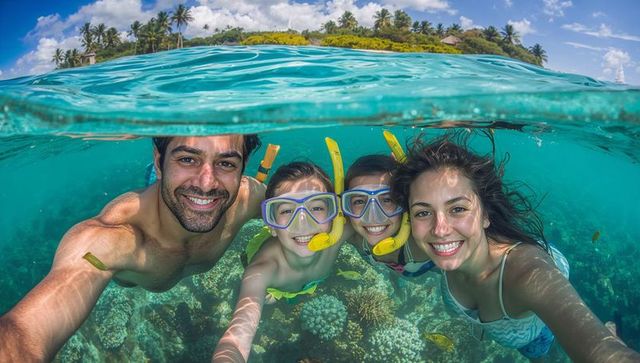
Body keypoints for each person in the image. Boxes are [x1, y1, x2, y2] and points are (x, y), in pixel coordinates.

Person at [0, 135, 265, 361]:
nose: (207, 183)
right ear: (160, 160)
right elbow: (24, 333)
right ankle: (154, 177)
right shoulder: (112, 239)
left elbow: (300, 206)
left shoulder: (248, 199)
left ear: (243, 170)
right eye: (187, 159)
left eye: (226, 164)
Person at [391, 133, 640, 362]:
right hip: (495, 247)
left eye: (457, 208)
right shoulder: (430, 243)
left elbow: (602, 353)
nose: (440, 229)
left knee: (537, 350)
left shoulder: (530, 276)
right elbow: (368, 231)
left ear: (486, 214)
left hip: (537, 301)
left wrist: (605, 345)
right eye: (423, 212)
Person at [213, 161, 342, 362]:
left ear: (334, 215)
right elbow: (237, 339)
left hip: (294, 281)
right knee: (268, 295)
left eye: (316, 207)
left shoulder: (340, 234)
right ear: (271, 225)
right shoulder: (260, 273)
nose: (303, 222)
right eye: (286, 211)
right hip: (265, 262)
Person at [343, 155, 435, 282]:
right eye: (359, 201)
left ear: (404, 203)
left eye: (387, 199)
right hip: (394, 272)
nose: (373, 216)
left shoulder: (423, 241)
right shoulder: (352, 235)